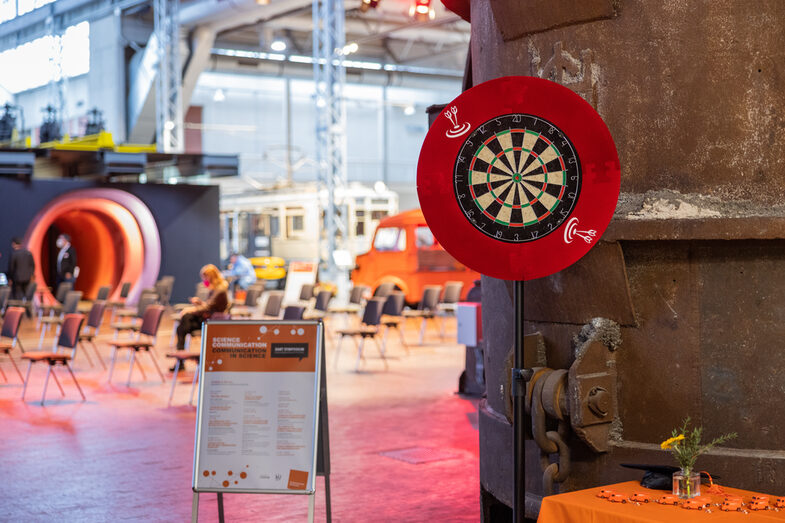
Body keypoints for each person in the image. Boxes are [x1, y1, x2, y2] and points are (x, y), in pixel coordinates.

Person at [175, 264, 231, 353]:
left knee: (184, 322)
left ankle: (180, 356)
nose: (204, 280)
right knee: (184, 323)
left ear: (210, 277)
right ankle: (181, 356)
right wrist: (200, 303)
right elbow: (211, 305)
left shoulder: (220, 289)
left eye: (205, 277)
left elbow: (209, 307)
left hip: (213, 321)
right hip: (208, 317)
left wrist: (191, 309)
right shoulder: (215, 288)